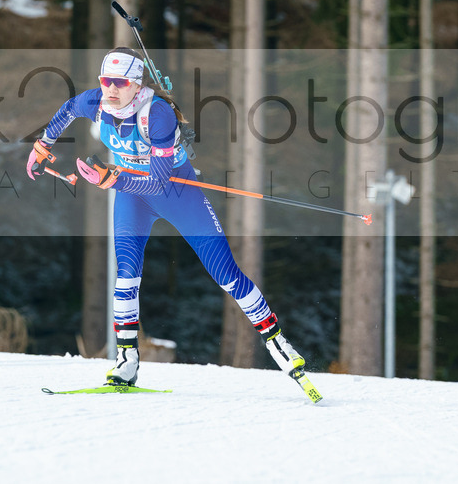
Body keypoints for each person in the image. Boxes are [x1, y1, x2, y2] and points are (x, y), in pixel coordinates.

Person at [26, 47, 305, 387]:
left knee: (224, 272)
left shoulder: (156, 114)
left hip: (175, 193)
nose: (110, 89)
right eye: (105, 80)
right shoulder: (96, 101)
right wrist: (42, 146)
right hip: (132, 196)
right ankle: (126, 362)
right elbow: (68, 109)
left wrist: (111, 179)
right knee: (126, 274)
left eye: (120, 82)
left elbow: (157, 183)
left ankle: (278, 343)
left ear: (136, 83)